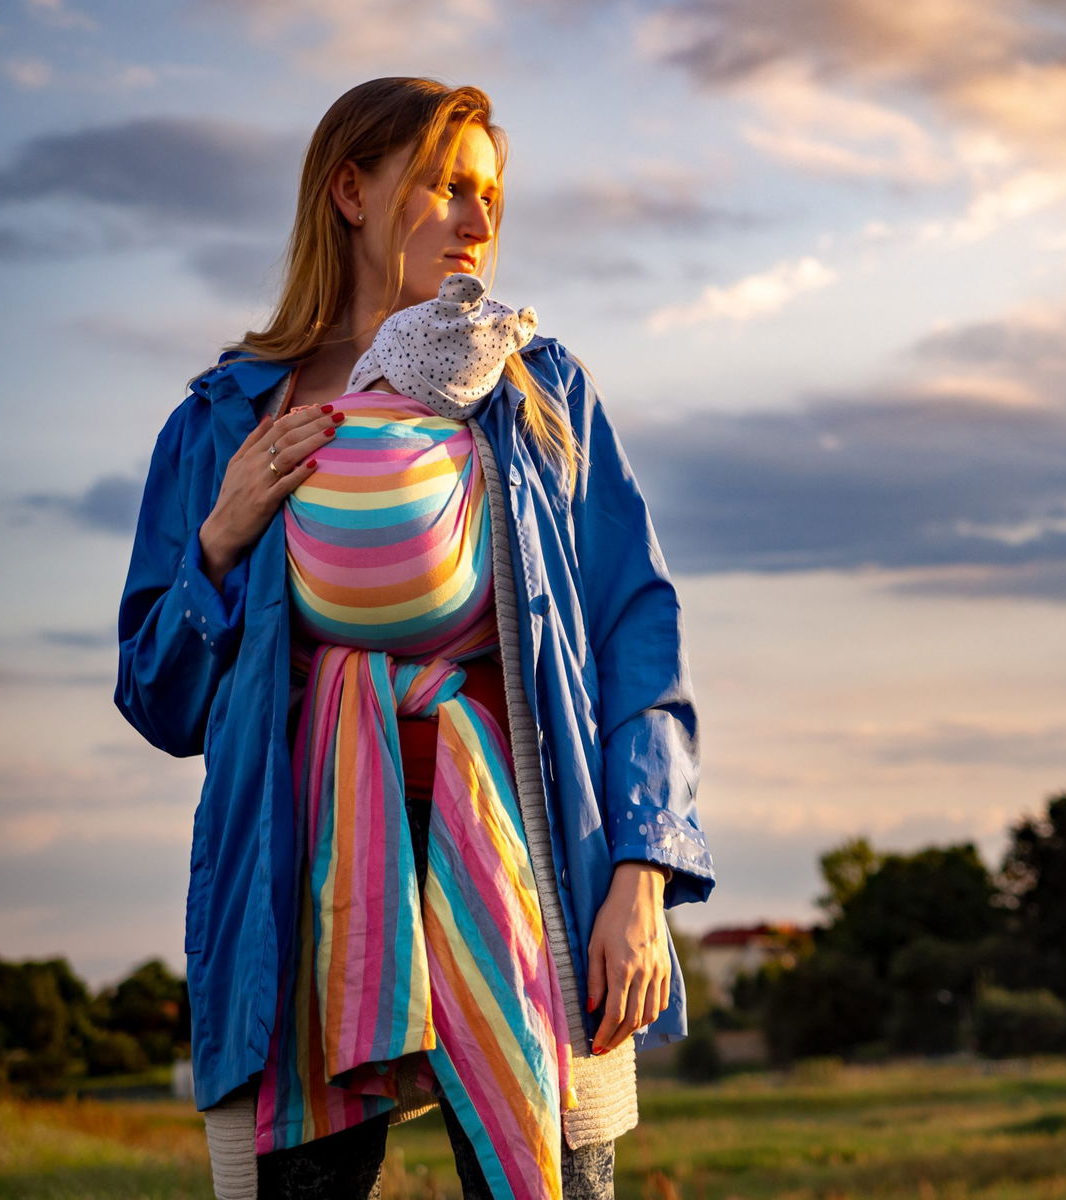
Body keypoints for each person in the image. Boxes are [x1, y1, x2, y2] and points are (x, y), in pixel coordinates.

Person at [112, 76, 715, 1199]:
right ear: (350, 190)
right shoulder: (223, 421)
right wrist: (223, 537)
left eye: (489, 193)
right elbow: (159, 696)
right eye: (447, 187)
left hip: (533, 871)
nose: (479, 219)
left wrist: (641, 869)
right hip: (303, 893)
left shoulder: (539, 392)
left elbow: (637, 628)